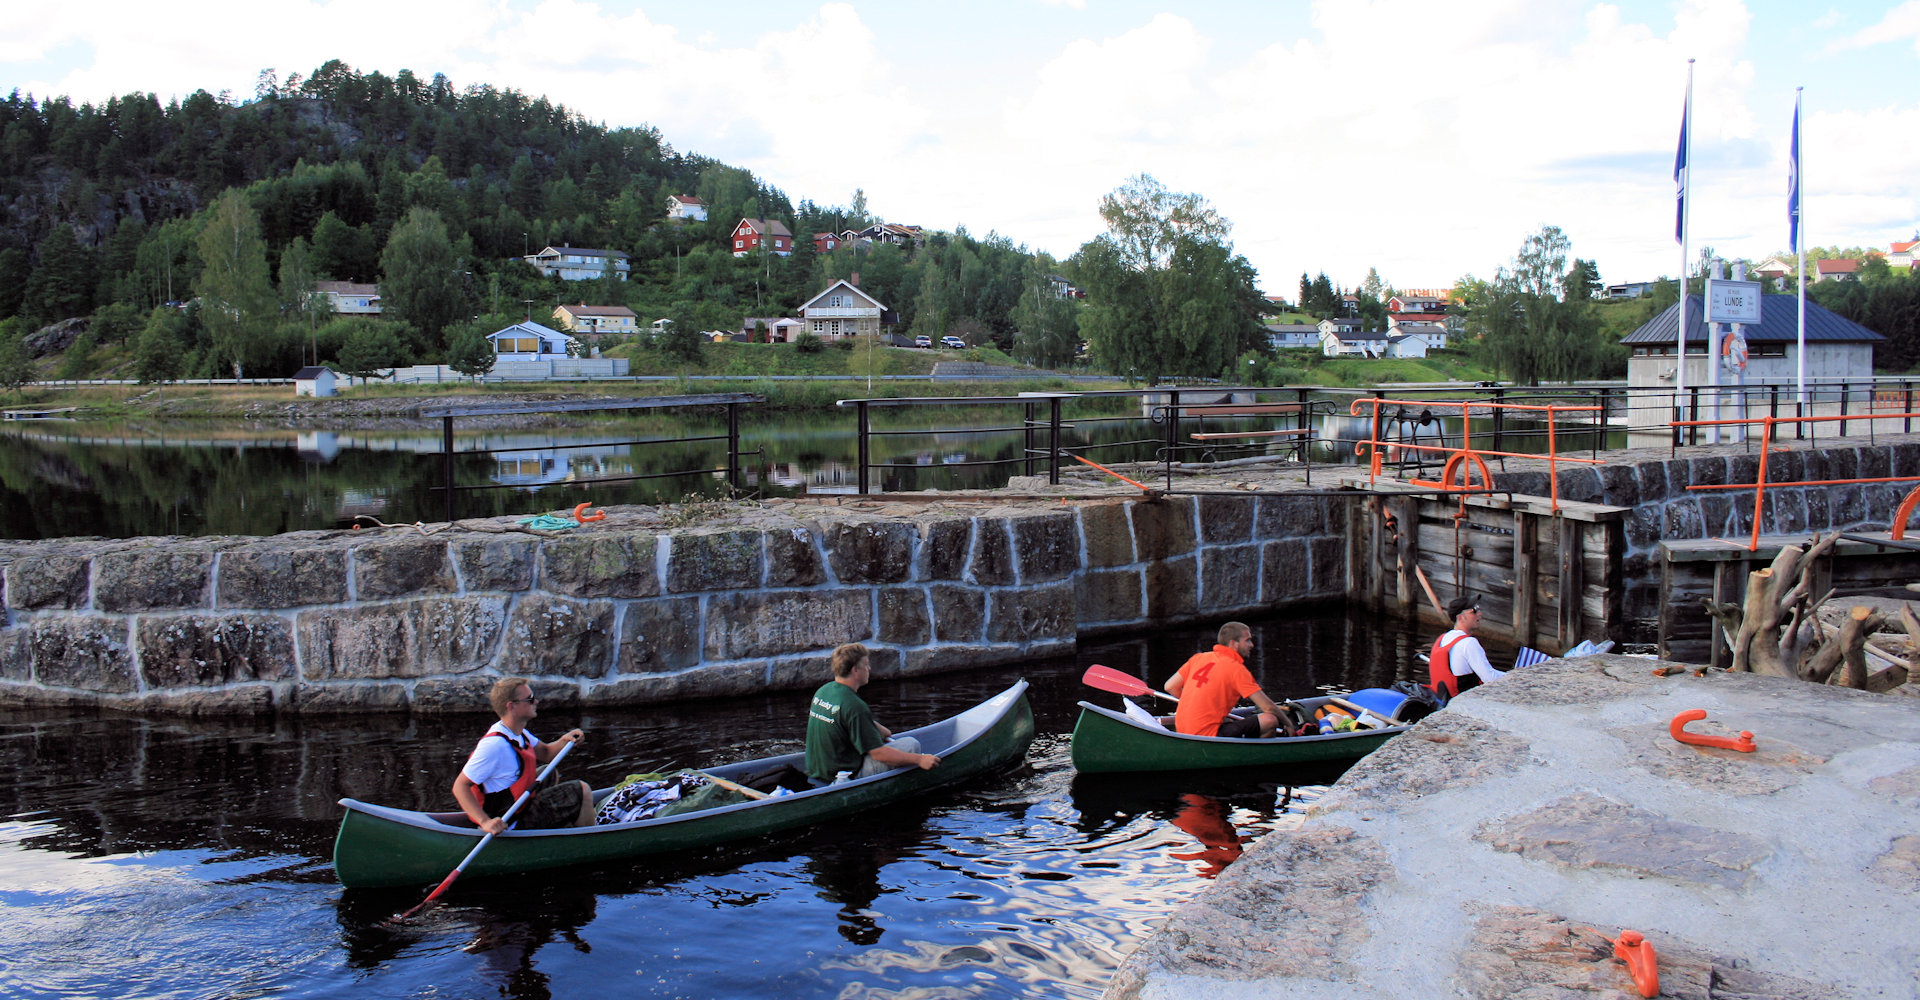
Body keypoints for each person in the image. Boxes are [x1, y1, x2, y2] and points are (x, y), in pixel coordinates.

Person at [451, 677, 593, 833]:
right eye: (530, 699)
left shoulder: (518, 733)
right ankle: (588, 840)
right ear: (511, 706)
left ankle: (556, 827)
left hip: (520, 805)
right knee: (582, 790)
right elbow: (460, 786)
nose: (536, 702)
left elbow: (546, 753)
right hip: (509, 821)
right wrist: (485, 822)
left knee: (549, 772)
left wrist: (566, 740)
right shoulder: (494, 745)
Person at [805, 643, 941, 785]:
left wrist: (872, 726)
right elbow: (879, 754)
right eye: (866, 664)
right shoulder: (854, 706)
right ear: (855, 670)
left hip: (819, 770)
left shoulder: (823, 691)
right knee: (911, 745)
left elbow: (880, 731)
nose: (869, 668)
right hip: (842, 776)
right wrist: (920, 760)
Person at [1164, 622, 1282, 738]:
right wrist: (1289, 724)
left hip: (1183, 730)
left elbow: (1169, 686)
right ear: (1233, 644)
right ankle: (1258, 753)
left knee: (1228, 720)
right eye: (1247, 640)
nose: (1251, 645)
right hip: (1207, 735)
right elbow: (1268, 707)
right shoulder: (1237, 669)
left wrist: (1198, 705)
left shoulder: (1199, 658)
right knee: (1269, 720)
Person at [1429, 594, 1505, 700]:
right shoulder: (1469, 643)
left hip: (1445, 698)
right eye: (1474, 611)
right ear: (1460, 618)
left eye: (1478, 609)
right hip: (1464, 701)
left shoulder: (1443, 638)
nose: (1480, 614)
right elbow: (1489, 678)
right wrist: (1514, 676)